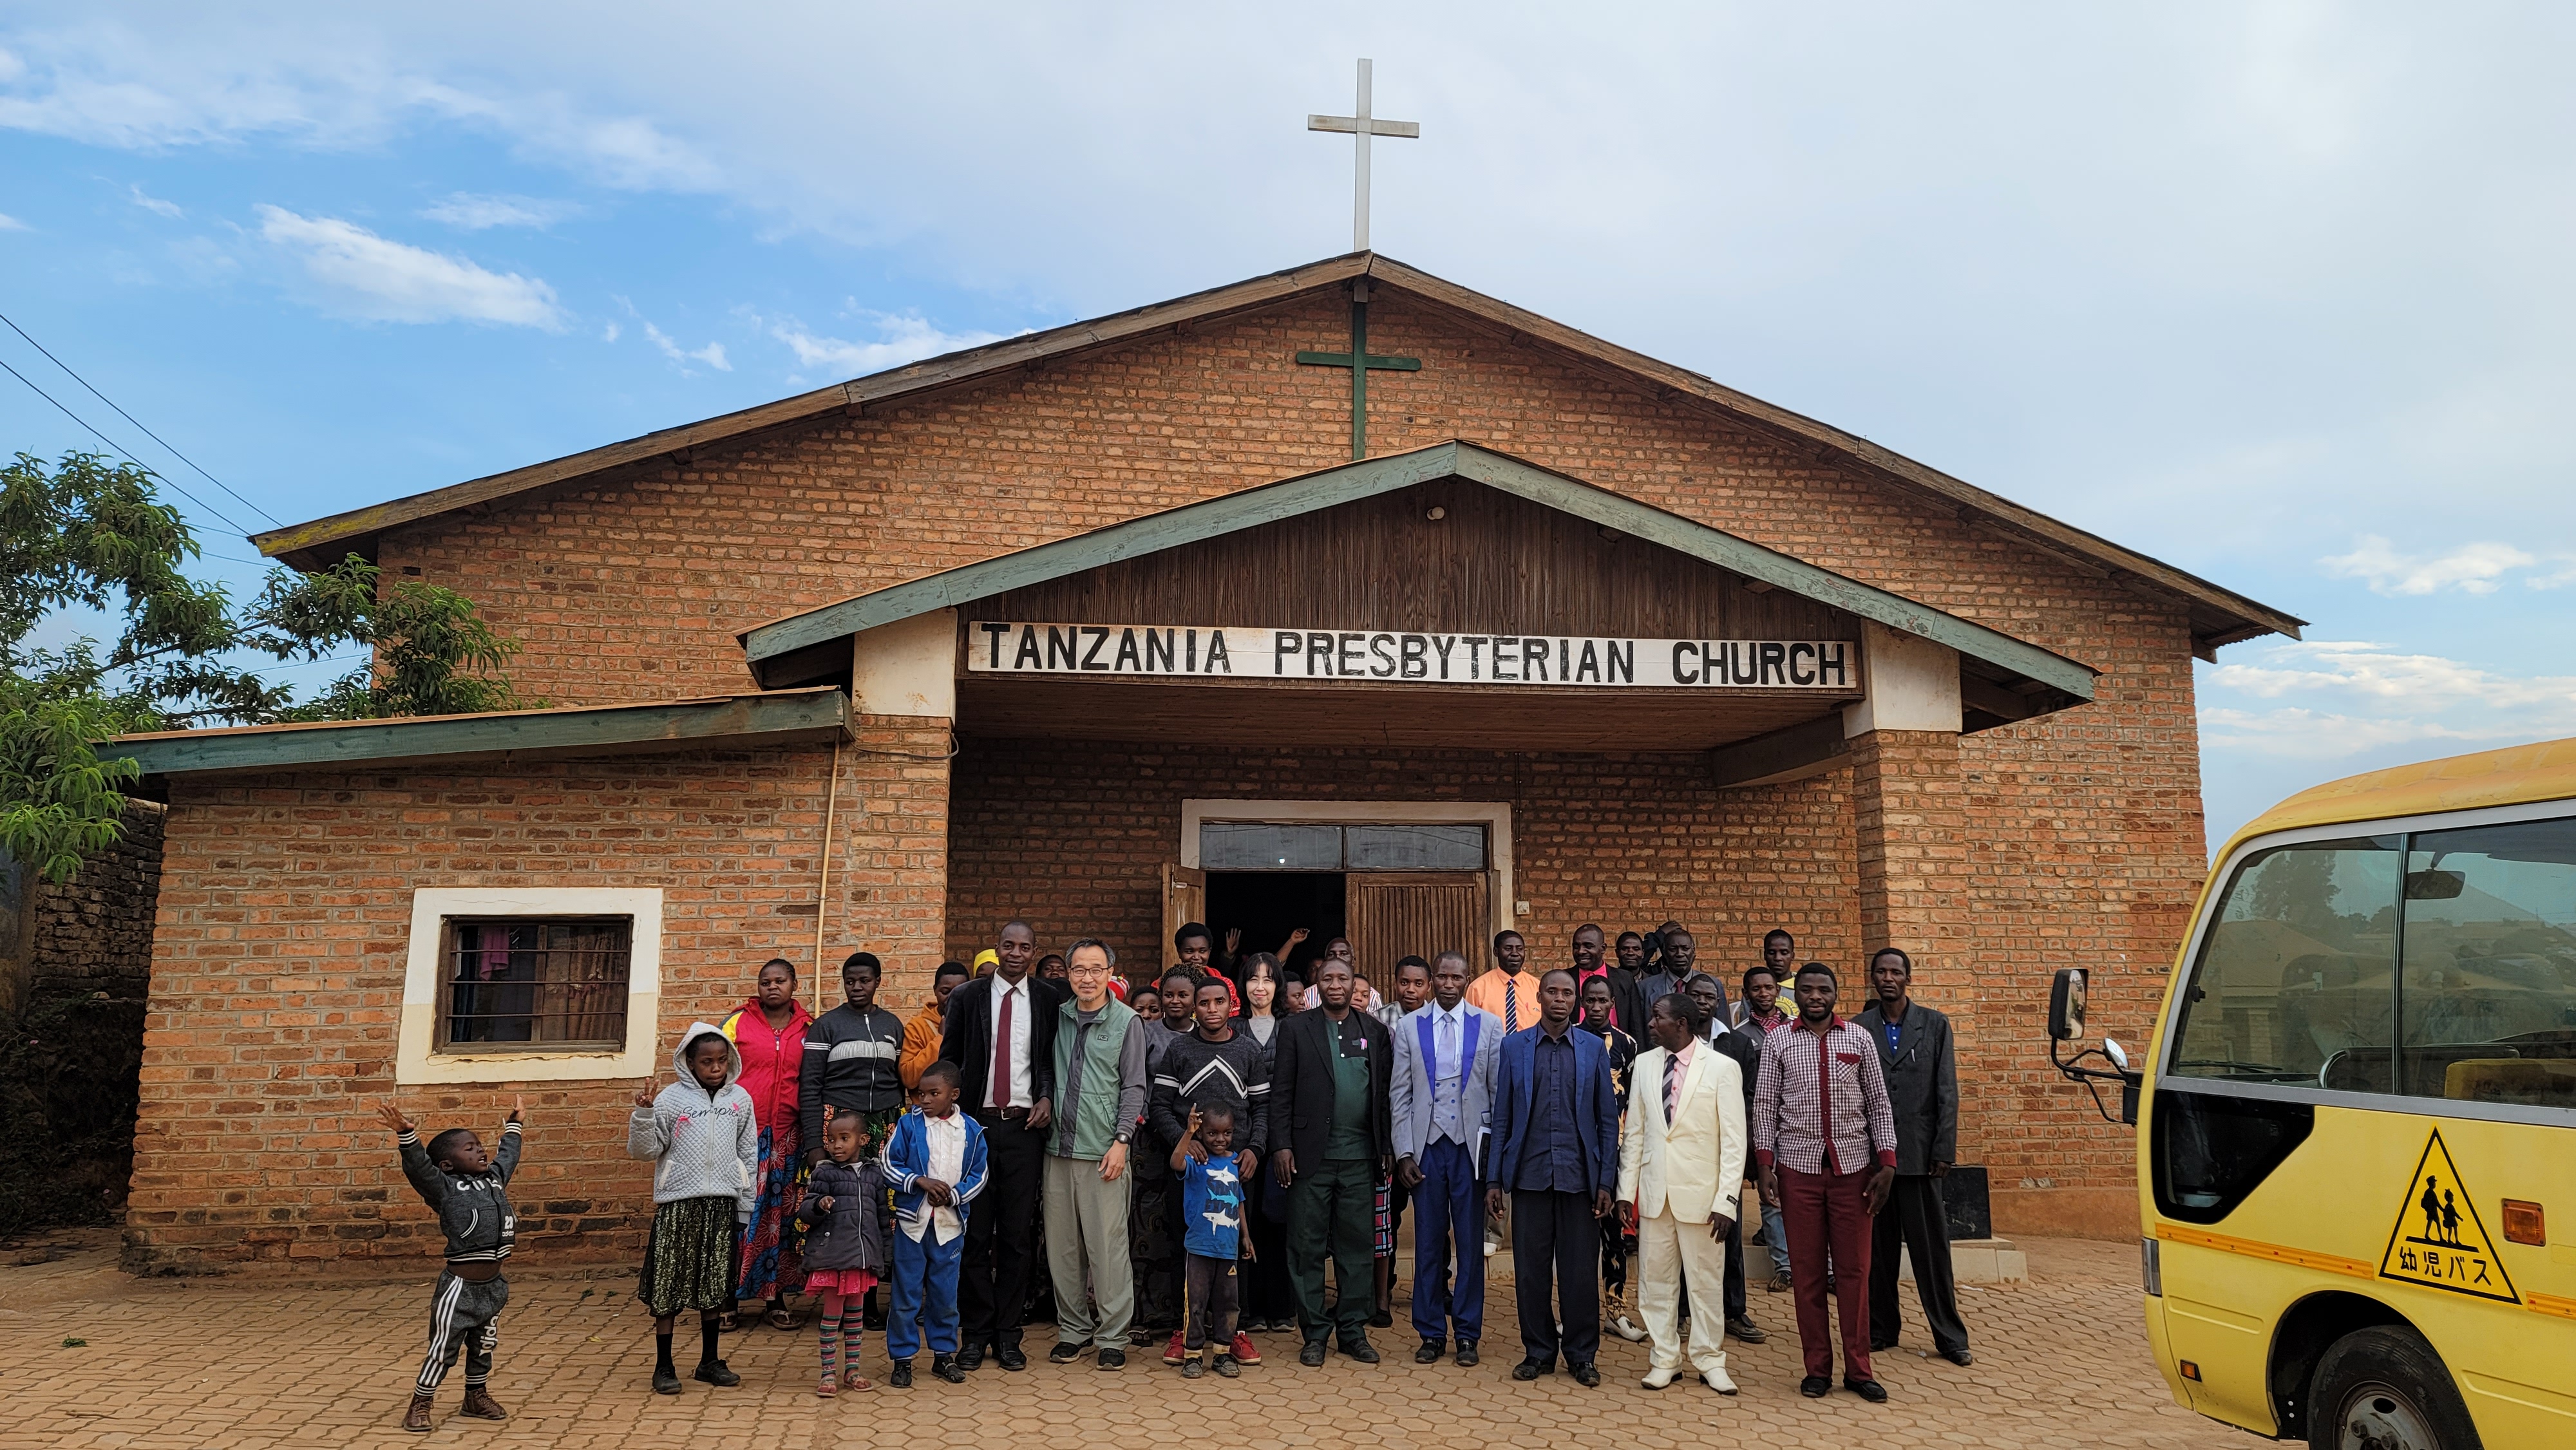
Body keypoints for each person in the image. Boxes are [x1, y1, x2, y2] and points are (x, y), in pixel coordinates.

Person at [1754, 964, 1897, 1402]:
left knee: (1854, 1272)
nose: (1815, 996)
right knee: (1808, 1273)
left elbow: (1878, 1101)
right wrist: (1765, 1165)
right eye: (1807, 990)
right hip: (1798, 1169)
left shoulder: (1858, 1039)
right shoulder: (1778, 1040)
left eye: (1824, 990)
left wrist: (1887, 1162)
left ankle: (1859, 1369)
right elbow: (1765, 1105)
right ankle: (1817, 1368)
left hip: (1854, 1171)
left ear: (1836, 994)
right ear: (1796, 995)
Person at [939, 921, 1069, 1372]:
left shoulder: (1049, 998)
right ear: (996, 949)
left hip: (1023, 1131)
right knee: (975, 1236)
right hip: (975, 1128)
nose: (1016, 953)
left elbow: (1050, 1060)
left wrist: (1046, 1097)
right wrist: (952, 1117)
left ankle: (1009, 1335)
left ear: (1034, 952)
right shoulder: (967, 996)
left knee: (1016, 1237)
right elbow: (950, 1059)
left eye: (1025, 947)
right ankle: (975, 1335)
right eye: (1008, 945)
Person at [1485, 968, 1621, 1387]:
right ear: (1539, 997)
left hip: (1580, 1179)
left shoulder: (1593, 1048)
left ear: (1574, 1001)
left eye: (1567, 993)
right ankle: (1538, 1351)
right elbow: (1503, 1116)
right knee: (1531, 1273)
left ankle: (1582, 1356)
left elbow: (1607, 1120)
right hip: (1530, 1177)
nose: (1560, 999)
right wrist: (1494, 1180)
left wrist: (1606, 1181)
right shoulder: (1514, 1047)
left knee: (1580, 1274)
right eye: (1552, 992)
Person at [1269, 955, 1395, 1366]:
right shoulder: (1295, 1029)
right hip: (1310, 1158)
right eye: (1328, 978)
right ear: (1317, 986)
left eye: (1343, 978)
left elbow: (1384, 1096)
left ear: (1355, 985)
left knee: (1357, 1248)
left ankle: (1353, 1331)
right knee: (1305, 1247)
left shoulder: (1374, 1031)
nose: (1336, 985)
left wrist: (1387, 1147)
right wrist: (1281, 1145)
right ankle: (1315, 1333)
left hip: (1360, 1158)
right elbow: (1281, 1092)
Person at [1620, 992, 1748, 1394]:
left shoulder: (1722, 1068)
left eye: (1657, 1017)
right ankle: (1665, 1359)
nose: (1650, 1023)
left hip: (1703, 1199)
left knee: (1705, 1284)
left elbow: (1734, 1142)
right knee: (1655, 1282)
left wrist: (1727, 1201)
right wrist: (1626, 1191)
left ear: (1681, 1023)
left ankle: (1710, 1360)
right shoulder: (1644, 1064)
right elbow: (1636, 1132)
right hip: (1655, 1194)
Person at [1854, 946, 1972, 1366]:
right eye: (1881, 972)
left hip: (1922, 1157)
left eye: (1895, 972)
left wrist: (1944, 1148)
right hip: (1873, 1161)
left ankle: (1950, 1337)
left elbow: (1946, 1090)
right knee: (1878, 1253)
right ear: (1872, 978)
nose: (1888, 978)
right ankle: (1882, 1329)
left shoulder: (1934, 1025)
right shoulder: (1858, 1027)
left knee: (1931, 1254)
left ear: (1908, 978)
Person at [377, 1095, 523, 1433]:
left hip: (494, 1286)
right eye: (469, 1149)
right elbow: (419, 1169)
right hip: (459, 1290)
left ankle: (475, 1396)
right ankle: (421, 1402)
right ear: (446, 1165)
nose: (480, 1151)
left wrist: (515, 1124)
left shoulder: (494, 1179)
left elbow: (509, 1155)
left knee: (484, 1345)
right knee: (444, 1348)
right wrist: (407, 1135)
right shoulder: (444, 1188)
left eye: (480, 1145)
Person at [630, 1025, 760, 1395]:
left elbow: (748, 1155)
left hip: (721, 1204)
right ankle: (664, 1365)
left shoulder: (740, 1101)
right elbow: (645, 1151)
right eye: (707, 1062)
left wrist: (745, 1206)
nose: (716, 1068)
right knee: (668, 1286)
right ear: (689, 1062)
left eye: (722, 1061)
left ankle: (709, 1361)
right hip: (677, 1204)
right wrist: (644, 1114)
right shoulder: (670, 1100)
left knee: (714, 1285)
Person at [1149, 972, 1271, 1367]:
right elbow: (1159, 1106)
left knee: (1235, 1250)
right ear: (1194, 1008)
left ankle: (1234, 1333)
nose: (1211, 1009)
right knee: (1185, 1248)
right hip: (1191, 1171)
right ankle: (1183, 1329)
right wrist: (1185, 1141)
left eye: (1219, 1002)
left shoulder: (1248, 1051)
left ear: (1231, 1005)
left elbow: (1262, 1108)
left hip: (1235, 1169)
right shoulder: (1180, 1049)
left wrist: (1254, 1148)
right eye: (1203, 1003)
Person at [1040, 939, 1151, 1370]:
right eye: (1079, 970)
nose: (1087, 978)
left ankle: (1113, 1336)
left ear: (1110, 974)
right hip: (1058, 1149)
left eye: (1096, 969)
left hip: (1104, 1151)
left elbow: (1135, 1086)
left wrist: (1122, 1141)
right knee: (1064, 1251)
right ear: (1068, 974)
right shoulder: (1058, 1016)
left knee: (1108, 1250)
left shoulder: (1127, 1021)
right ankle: (1074, 1330)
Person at [1391, 948, 1501, 1366]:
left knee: (1471, 1245)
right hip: (1427, 1149)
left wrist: (1494, 1160)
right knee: (1428, 1242)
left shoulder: (1489, 1026)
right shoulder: (1409, 1026)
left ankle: (1468, 1334)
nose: (1449, 984)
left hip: (1470, 1149)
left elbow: (1497, 1094)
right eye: (1442, 977)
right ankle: (1431, 1332)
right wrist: (1404, 1151)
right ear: (1432, 980)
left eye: (1457, 978)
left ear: (1467, 979)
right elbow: (1400, 1094)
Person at [882, 1060, 988, 1387]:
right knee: (906, 1294)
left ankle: (943, 1356)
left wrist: (955, 1196)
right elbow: (888, 1164)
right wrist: (919, 1182)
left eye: (933, 1094)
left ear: (953, 1095)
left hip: (949, 1226)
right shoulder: (908, 1125)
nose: (924, 1100)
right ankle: (902, 1360)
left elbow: (979, 1174)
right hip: (913, 1226)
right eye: (920, 1094)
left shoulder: (971, 1130)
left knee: (945, 1295)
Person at [722, 957, 813, 1332]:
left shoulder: (809, 1027)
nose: (772, 987)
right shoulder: (737, 1023)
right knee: (737, 1217)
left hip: (788, 1137)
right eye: (765, 982)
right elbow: (713, 1070)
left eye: (780, 981)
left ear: (794, 985)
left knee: (779, 1219)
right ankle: (726, 1299)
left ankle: (775, 1298)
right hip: (742, 1135)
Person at [1686, 973, 1768, 1346]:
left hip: (1725, 1154)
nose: (1703, 1002)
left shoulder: (1736, 1044)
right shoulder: (1675, 1041)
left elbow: (1750, 1099)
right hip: (1685, 1151)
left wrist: (1745, 1152)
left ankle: (1734, 1311)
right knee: (1684, 1233)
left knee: (1729, 1234)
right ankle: (1684, 1313)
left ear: (1719, 1002)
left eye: (1709, 996)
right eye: (1696, 995)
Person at [796, 1109, 888, 1395]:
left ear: (863, 1140)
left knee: (855, 1318)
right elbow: (805, 1210)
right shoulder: (824, 1172)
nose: (836, 1145)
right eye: (831, 1139)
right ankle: (827, 1375)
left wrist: (885, 1252)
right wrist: (819, 1205)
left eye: (844, 1138)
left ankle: (852, 1371)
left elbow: (882, 1218)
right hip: (833, 1258)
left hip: (860, 1261)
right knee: (831, 1318)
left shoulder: (874, 1175)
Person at [1134, 965, 1202, 1350]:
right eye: (1169, 995)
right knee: (1147, 1225)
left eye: (1183, 995)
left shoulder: (1205, 1035)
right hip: (1150, 1140)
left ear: (1195, 1000)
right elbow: (1132, 1079)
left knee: (1187, 1225)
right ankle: (1146, 1316)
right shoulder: (1145, 1032)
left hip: (1195, 1144)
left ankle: (1187, 1313)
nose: (1175, 1001)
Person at [1581, 974, 1647, 1344]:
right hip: (1580, 1153)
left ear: (1612, 1004)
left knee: (1616, 1235)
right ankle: (1577, 1314)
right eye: (1589, 1000)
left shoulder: (1627, 1044)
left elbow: (1635, 1100)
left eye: (1602, 1000)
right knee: (1579, 1239)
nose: (1596, 1007)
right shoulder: (1571, 1037)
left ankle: (1616, 1309)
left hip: (1618, 1151)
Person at [1234, 952, 1296, 1332]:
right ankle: (1249, 1309)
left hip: (1282, 1140)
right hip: (1240, 1141)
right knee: (1246, 1220)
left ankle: (1281, 1308)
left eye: (1268, 979)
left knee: (1280, 1221)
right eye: (1253, 979)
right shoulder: (1232, 1027)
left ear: (1279, 986)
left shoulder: (1293, 1028)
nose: (1260, 987)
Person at [1368, 956, 1432, 1326]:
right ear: (1394, 983)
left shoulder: (1438, 1021)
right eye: (1404, 982)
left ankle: (1435, 1288)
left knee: (1431, 1217)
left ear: (1429, 986)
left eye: (1418, 984)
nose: (1411, 990)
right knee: (1387, 1216)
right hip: (1389, 1133)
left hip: (1428, 1134)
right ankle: (1384, 1288)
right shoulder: (1379, 1021)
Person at [1170, 1103, 1252, 1379]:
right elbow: (1176, 1163)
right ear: (1202, 1133)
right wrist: (1187, 1133)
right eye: (1212, 1133)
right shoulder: (1197, 1161)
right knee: (1195, 1303)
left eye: (1227, 1133)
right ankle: (1193, 1355)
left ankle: (1222, 1353)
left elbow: (1239, 1201)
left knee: (1228, 1303)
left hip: (1228, 1250)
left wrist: (1246, 1237)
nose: (1220, 1139)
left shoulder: (1235, 1162)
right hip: (1199, 1248)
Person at [1735, 961, 1793, 1290]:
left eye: (1769, 987)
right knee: (1770, 1197)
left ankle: (1824, 1268)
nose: (1763, 993)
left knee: (1805, 1195)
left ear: (1778, 991)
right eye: (1756, 988)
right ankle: (1784, 1267)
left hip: (1798, 1123)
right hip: (1761, 1126)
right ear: (1746, 994)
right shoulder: (1740, 1035)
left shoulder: (1797, 1030)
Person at [902, 962, 972, 1090]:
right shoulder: (918, 1026)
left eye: (960, 991)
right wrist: (940, 1038)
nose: (952, 998)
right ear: (935, 990)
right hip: (930, 1103)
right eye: (945, 992)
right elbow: (909, 1078)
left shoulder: (976, 1022)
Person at [1466, 929, 1546, 1033]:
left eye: (1520, 949)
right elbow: (1470, 1028)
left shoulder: (1538, 987)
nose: (1515, 953)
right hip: (1493, 1044)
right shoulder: (1478, 988)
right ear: (1496, 952)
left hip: (1529, 1044)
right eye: (1508, 949)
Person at [1580, 923, 1649, 1038]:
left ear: (1603, 949)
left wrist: (1638, 1050)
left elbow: (1636, 1024)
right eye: (1576, 946)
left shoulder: (1625, 978)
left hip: (1617, 1045)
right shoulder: (1567, 978)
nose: (1581, 951)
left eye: (1588, 946)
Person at [1173, 923, 1244, 1014]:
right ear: (1179, 952)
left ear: (1209, 952)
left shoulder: (1226, 985)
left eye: (1202, 951)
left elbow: (1233, 1017)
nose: (1197, 957)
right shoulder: (1167, 986)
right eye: (1189, 951)